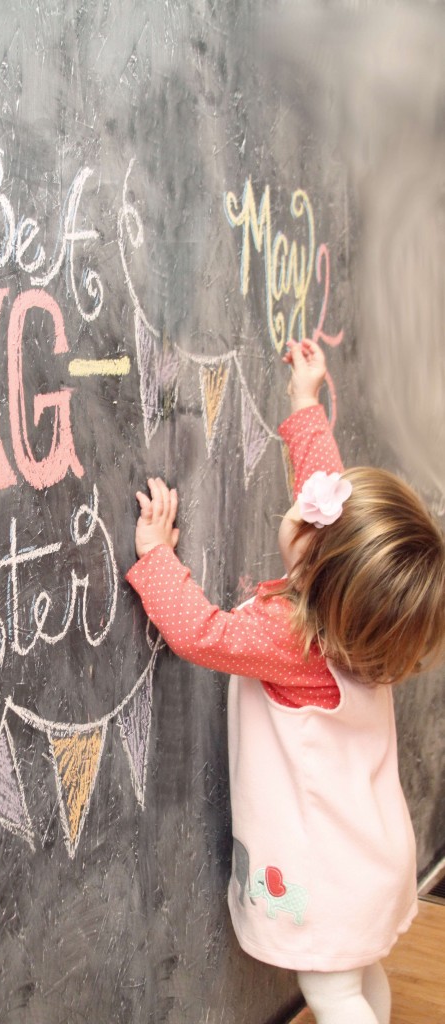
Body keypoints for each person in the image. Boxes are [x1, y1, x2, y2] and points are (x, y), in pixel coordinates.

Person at [125, 338, 445, 1024]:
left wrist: (156, 557)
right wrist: (304, 406)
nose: (300, 508)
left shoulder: (290, 641)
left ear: (316, 567)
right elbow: (328, 495)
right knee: (360, 978)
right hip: (374, 858)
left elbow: (199, 633)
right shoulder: (366, 633)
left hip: (327, 875)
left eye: (306, 519)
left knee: (331, 995)